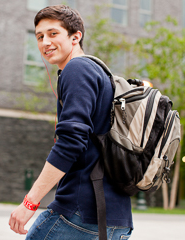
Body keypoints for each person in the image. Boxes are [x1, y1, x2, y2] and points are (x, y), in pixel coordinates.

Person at [9, 5, 133, 240]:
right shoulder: (99, 71)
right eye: (39, 36)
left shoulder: (77, 69)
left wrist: (30, 203)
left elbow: (70, 142)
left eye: (53, 33)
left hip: (79, 213)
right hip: (116, 219)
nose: (45, 42)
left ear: (76, 37)